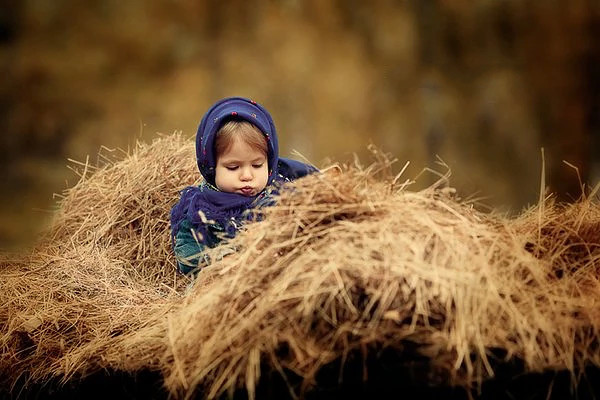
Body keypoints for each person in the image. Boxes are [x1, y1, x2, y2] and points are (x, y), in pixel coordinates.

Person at [169, 97, 317, 275]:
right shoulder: (201, 210)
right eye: (233, 167)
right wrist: (225, 259)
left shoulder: (285, 195)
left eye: (257, 165)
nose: (247, 176)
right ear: (211, 166)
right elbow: (187, 256)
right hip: (227, 285)